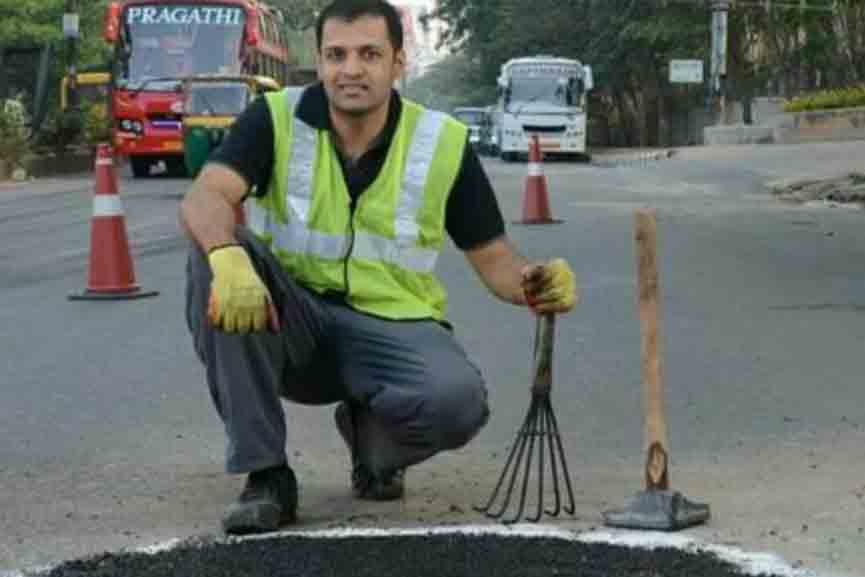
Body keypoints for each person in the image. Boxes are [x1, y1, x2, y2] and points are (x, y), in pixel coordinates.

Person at [179, 0, 578, 536]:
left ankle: (373, 442)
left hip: (390, 330)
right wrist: (227, 258)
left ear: (397, 63)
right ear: (318, 63)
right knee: (214, 259)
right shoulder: (275, 118)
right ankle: (266, 474)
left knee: (456, 402)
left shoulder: (441, 143)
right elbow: (205, 197)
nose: (351, 70)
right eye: (336, 55)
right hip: (291, 324)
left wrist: (535, 283)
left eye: (369, 54)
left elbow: (494, 258)